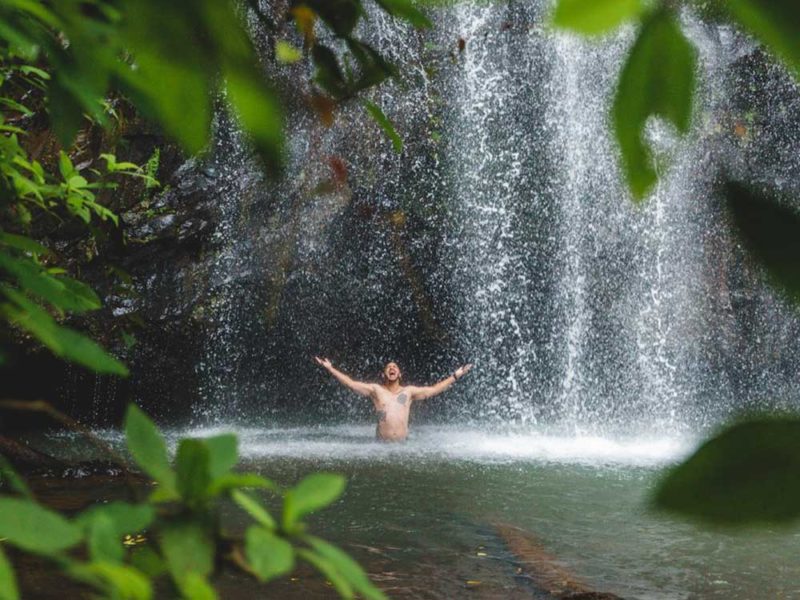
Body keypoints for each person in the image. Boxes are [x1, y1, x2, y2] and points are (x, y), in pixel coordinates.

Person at [314, 357, 473, 441]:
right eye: (388, 367)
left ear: (399, 374)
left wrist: (455, 376)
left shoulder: (409, 391)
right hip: (381, 448)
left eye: (395, 367)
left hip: (403, 448)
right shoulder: (375, 390)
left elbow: (433, 390)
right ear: (384, 374)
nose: (392, 368)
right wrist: (330, 368)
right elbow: (351, 383)